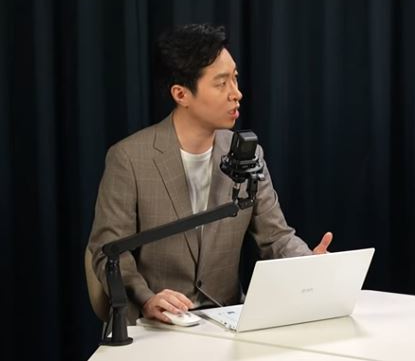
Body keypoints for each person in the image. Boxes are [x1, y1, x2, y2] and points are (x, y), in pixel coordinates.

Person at [88, 24, 333, 324]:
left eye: (235, 78)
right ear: (181, 94)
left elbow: (276, 238)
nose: (236, 93)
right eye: (221, 83)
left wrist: (310, 265)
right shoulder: (129, 158)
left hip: (226, 319)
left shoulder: (247, 154)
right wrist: (147, 298)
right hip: (156, 323)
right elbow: (108, 252)